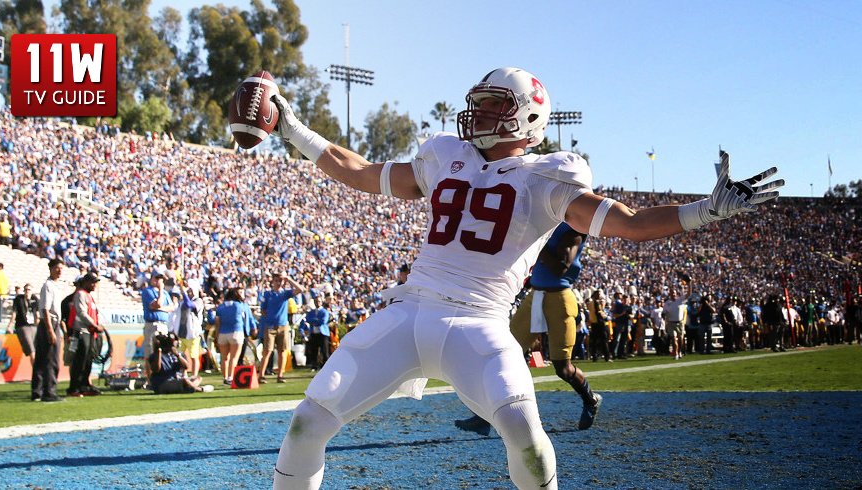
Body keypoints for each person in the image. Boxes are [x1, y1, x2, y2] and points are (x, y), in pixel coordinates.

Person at [268, 66, 783, 489]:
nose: (481, 113)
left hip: (480, 322)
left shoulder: (547, 179)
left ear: (528, 118)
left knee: (525, 436)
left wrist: (704, 212)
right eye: (482, 102)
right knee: (308, 422)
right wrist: (293, 129)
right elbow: (358, 170)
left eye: (496, 105)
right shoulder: (444, 156)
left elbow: (628, 223)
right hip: (409, 310)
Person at [455, 223, 602, 437]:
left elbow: (561, 266)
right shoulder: (551, 225)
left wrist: (537, 244)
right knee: (501, 352)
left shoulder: (573, 230)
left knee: (563, 367)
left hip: (559, 297)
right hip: (536, 295)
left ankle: (590, 400)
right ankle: (483, 417)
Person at [258, 272, 305, 384]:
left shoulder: (285, 294)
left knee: (282, 351)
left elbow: (300, 289)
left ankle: (280, 375)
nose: (278, 283)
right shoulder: (268, 295)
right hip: (270, 326)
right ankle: (261, 375)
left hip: (283, 325)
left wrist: (289, 279)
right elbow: (263, 310)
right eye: (276, 281)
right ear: (273, 282)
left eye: (280, 281)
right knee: (267, 351)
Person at [66, 271, 105, 397]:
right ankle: (74, 388)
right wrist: (94, 325)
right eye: (93, 282)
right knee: (79, 361)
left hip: (89, 332)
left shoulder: (89, 296)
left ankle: (84, 386)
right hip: (81, 331)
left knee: (88, 361)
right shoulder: (80, 294)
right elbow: (81, 313)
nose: (95, 285)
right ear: (86, 282)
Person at [31, 259, 65, 402]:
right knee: (51, 359)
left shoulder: (56, 286)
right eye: (57, 268)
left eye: (61, 268)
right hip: (49, 323)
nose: (59, 271)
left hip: (52, 323)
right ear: (51, 268)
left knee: (41, 359)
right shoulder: (48, 286)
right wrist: (50, 330)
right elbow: (45, 309)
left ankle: (37, 391)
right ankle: (49, 392)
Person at [214, 287, 257, 385]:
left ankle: (225, 378)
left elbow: (217, 322)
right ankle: (230, 377)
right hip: (236, 332)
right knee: (234, 357)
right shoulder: (241, 305)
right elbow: (249, 318)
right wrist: (253, 328)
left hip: (222, 333)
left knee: (224, 358)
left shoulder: (221, 306)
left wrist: (217, 336)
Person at [146, 332, 212, 394]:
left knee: (197, 378)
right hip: (163, 382)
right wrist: (159, 353)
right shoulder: (156, 355)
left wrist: (177, 355)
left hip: (177, 379)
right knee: (185, 381)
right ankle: (200, 389)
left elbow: (186, 366)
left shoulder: (179, 354)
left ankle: (187, 387)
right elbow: (156, 369)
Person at [169, 284, 205, 378]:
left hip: (193, 333)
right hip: (181, 333)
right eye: (188, 291)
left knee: (193, 356)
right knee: (180, 356)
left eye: (190, 291)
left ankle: (194, 375)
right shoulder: (182, 302)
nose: (189, 292)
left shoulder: (198, 301)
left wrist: (183, 292)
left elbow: (189, 305)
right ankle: (183, 374)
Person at [141, 273, 176, 367]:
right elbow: (158, 304)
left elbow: (172, 307)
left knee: (164, 352)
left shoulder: (165, 293)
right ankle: (151, 379)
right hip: (152, 324)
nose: (158, 281)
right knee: (151, 353)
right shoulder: (148, 291)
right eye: (156, 278)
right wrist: (160, 290)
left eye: (160, 279)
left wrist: (160, 309)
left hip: (163, 324)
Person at [7, 284, 38, 366]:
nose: (27, 291)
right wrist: (10, 325)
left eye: (29, 290)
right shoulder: (19, 299)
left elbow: (37, 315)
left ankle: (37, 373)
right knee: (32, 351)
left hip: (33, 326)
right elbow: (14, 313)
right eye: (26, 290)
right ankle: (36, 375)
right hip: (23, 326)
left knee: (37, 350)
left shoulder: (35, 299)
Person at [663, 280, 693, 360]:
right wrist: (665, 322)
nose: (673, 294)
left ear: (676, 294)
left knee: (680, 339)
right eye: (671, 293)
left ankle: (679, 351)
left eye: (674, 293)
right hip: (671, 323)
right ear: (669, 294)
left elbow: (689, 294)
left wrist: (689, 284)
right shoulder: (667, 303)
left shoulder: (680, 300)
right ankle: (675, 353)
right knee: (673, 339)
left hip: (679, 323)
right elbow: (664, 313)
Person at [306, 299, 332, 371]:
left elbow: (323, 321)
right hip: (314, 333)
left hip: (323, 333)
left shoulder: (324, 311)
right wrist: (316, 320)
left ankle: (326, 366)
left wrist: (314, 321)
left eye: (319, 301)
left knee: (324, 350)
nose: (318, 303)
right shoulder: (311, 312)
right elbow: (308, 319)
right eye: (316, 301)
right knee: (314, 350)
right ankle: (314, 365)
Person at [587, 289, 611, 362]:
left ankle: (595, 357)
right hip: (599, 323)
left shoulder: (590, 303)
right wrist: (606, 317)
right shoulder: (597, 303)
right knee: (604, 340)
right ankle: (607, 357)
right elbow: (599, 313)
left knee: (594, 341)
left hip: (594, 323)